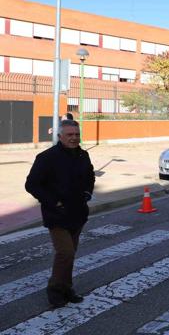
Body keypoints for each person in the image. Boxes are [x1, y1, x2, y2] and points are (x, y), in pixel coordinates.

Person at [25, 119, 95, 308]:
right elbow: (31, 184)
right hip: (57, 214)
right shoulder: (47, 157)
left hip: (78, 213)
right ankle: (55, 290)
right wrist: (53, 202)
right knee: (65, 253)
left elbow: (90, 176)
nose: (74, 138)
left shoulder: (83, 155)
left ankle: (67, 288)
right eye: (70, 135)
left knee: (70, 254)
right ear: (60, 136)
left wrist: (88, 193)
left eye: (77, 135)